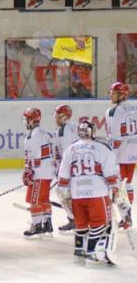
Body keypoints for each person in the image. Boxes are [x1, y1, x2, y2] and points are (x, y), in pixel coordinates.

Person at [57, 120, 120, 265]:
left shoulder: (70, 149)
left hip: (77, 194)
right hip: (97, 193)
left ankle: (79, 252)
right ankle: (91, 253)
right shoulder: (102, 148)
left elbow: (63, 178)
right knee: (100, 223)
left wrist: (65, 196)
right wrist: (116, 188)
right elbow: (110, 173)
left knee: (81, 225)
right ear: (92, 132)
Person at [105, 82, 137, 229]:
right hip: (134, 150)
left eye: (114, 93)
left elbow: (117, 137)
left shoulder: (115, 111)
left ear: (122, 94)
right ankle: (127, 215)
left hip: (122, 152)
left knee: (119, 185)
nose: (111, 95)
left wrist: (110, 157)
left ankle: (126, 215)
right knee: (128, 183)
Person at [22, 107, 55, 238]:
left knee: (35, 200)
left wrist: (29, 171)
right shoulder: (42, 132)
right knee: (44, 200)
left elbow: (36, 156)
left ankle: (36, 226)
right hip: (46, 171)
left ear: (31, 119)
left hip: (40, 172)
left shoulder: (34, 134)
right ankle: (47, 224)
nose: (25, 121)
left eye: (26, 118)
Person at [53, 104, 78, 232]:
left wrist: (61, 172)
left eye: (57, 116)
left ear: (63, 117)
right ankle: (78, 219)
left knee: (62, 193)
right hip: (78, 168)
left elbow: (66, 153)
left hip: (70, 169)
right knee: (74, 195)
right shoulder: (73, 127)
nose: (55, 119)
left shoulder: (63, 130)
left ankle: (74, 220)